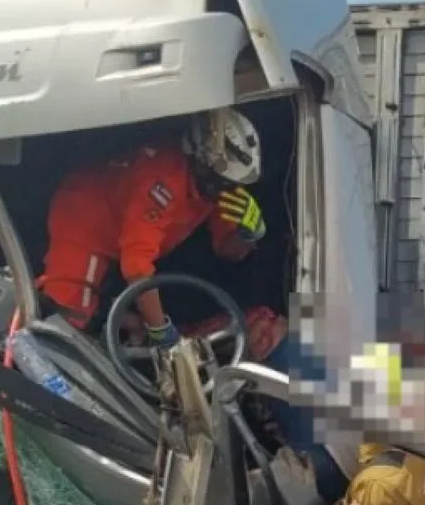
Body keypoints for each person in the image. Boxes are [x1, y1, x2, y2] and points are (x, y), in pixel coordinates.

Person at [36, 109, 267, 346]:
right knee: (67, 320)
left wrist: (247, 235)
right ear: (199, 162)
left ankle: (121, 320)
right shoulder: (163, 182)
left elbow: (227, 250)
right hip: (85, 219)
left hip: (133, 237)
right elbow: (136, 266)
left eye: (233, 185)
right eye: (223, 183)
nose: (227, 191)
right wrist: (160, 329)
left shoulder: (215, 186)